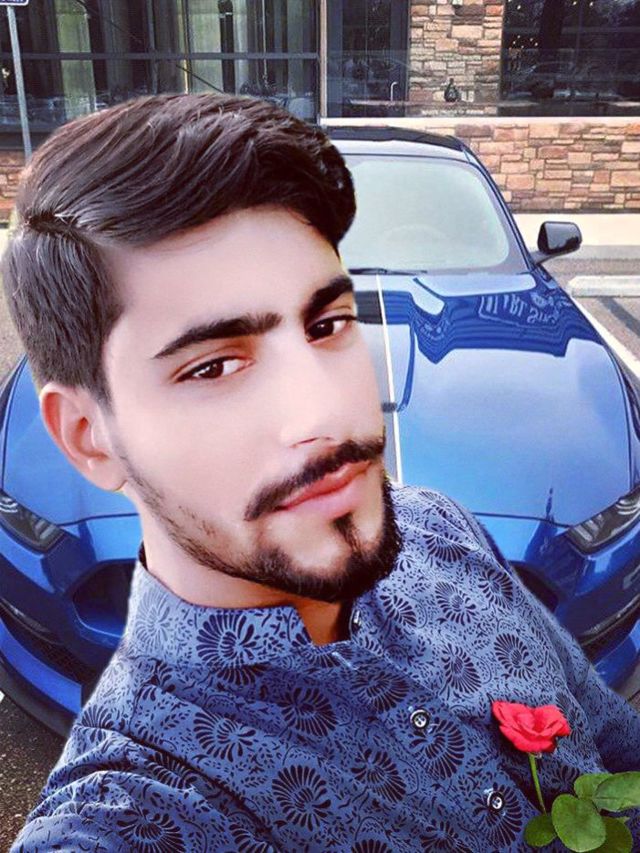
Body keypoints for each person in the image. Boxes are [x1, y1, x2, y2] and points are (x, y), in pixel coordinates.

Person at [4, 92, 639, 852]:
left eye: (328, 324)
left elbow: (616, 745)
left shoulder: (437, 526)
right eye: (213, 366)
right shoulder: (133, 806)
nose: (324, 413)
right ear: (89, 438)